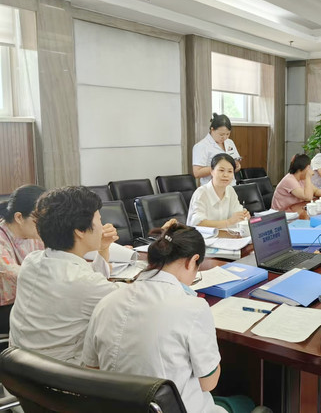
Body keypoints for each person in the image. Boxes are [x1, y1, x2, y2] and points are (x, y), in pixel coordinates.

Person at [83, 222, 229, 411]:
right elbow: (208, 383)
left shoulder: (106, 302)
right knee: (243, 402)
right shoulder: (194, 308)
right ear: (192, 261)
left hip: (117, 408)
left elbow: (92, 370)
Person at [9, 186, 121, 364]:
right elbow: (123, 303)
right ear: (80, 230)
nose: (102, 227)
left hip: (19, 370)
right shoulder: (83, 282)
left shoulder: (32, 261)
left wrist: (103, 249)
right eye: (99, 220)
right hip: (60, 375)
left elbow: (87, 286)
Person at [0, 185, 45, 308]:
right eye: (40, 218)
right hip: (7, 306)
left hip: (30, 299)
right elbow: (15, 273)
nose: (46, 223)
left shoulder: (35, 233)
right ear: (19, 217)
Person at [187, 153, 250, 228]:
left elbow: (237, 213)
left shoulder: (230, 190)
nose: (225, 175)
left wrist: (243, 215)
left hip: (225, 233)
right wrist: (228, 222)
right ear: (212, 171)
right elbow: (198, 223)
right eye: (221, 170)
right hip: (202, 235)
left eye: (230, 171)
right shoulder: (201, 193)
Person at [193, 113, 241, 186]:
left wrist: (237, 166)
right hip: (211, 188)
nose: (225, 137)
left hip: (231, 185)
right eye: (221, 134)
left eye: (227, 134)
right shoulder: (201, 146)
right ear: (212, 129)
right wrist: (218, 167)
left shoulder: (230, 142)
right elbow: (197, 173)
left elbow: (235, 166)